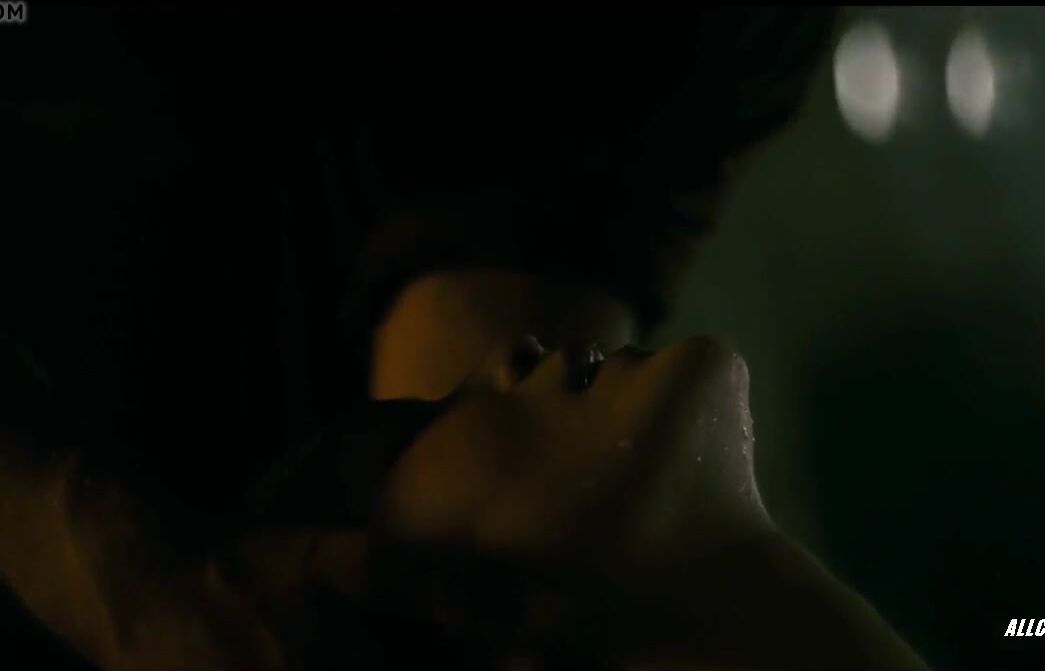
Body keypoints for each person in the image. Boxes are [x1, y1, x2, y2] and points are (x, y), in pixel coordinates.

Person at [2, 5, 925, 668]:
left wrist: (103, 566)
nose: (499, 364)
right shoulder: (729, 59)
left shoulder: (113, 311)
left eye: (367, 452)